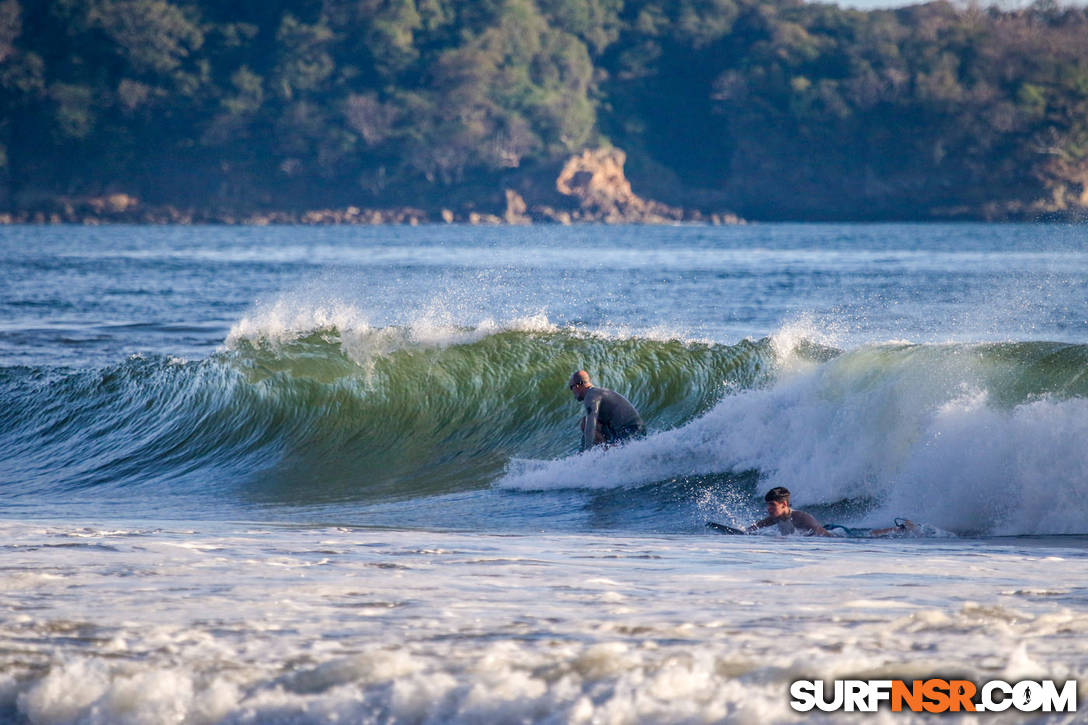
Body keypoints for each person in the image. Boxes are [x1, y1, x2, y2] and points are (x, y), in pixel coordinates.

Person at [569, 370, 645, 451]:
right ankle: (605, 452)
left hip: (632, 432)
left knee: (586, 424)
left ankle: (604, 453)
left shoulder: (590, 395)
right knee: (585, 422)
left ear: (577, 386)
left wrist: (587, 453)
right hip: (631, 431)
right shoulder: (596, 392)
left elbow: (591, 423)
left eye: (571, 387)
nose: (572, 391)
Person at [747, 486, 834, 537]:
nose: (769, 508)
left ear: (784, 504)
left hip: (835, 532)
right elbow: (752, 529)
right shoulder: (776, 518)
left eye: (772, 504)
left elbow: (825, 536)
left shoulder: (801, 517)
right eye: (768, 505)